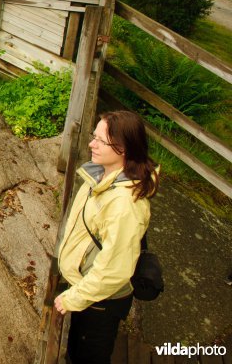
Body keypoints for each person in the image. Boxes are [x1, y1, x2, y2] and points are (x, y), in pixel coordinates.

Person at [54, 110, 159, 363]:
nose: (91, 143)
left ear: (123, 149)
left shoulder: (124, 204)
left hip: (100, 302)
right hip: (87, 288)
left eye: (100, 140)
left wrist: (73, 298)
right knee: (76, 351)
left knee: (88, 357)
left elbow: (114, 269)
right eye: (94, 136)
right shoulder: (103, 175)